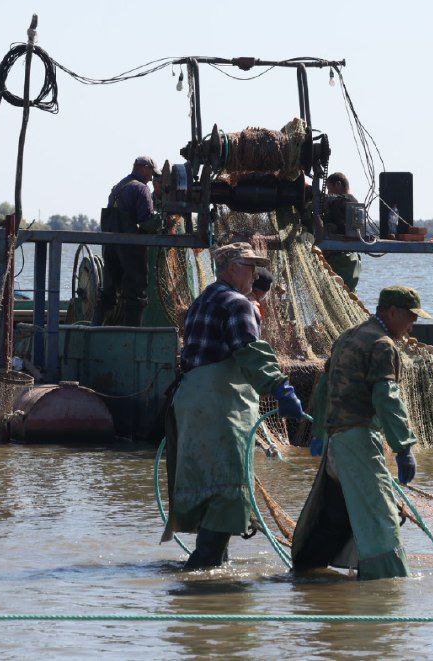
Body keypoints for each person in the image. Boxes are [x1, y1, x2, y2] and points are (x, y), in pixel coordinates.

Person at [162, 242, 306, 569]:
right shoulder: (238, 303)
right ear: (230, 268)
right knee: (230, 483)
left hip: (190, 400)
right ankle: (203, 568)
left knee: (206, 481)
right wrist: (280, 388)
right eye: (249, 266)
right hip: (220, 403)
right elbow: (250, 352)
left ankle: (214, 568)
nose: (255, 274)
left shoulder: (203, 299)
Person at [291, 285, 423, 581]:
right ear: (392, 312)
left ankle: (305, 574)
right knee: (381, 517)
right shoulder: (382, 344)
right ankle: (387, 584)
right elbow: (387, 397)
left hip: (335, 443)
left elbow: (324, 387)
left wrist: (320, 432)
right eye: (411, 316)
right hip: (359, 440)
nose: (413, 323)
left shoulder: (348, 337)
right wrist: (403, 447)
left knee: (335, 515)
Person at [99, 155, 161, 326]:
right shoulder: (141, 188)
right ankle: (132, 334)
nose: (152, 178)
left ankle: (95, 328)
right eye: (151, 173)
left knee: (109, 290)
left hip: (110, 246)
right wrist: (161, 221)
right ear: (143, 168)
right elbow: (146, 221)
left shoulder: (118, 187)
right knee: (136, 292)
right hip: (131, 248)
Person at [320, 172, 362, 291]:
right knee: (349, 294)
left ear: (338, 184)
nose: (328, 193)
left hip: (339, 259)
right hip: (354, 259)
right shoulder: (355, 202)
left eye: (329, 189)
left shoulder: (341, 201)